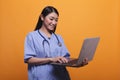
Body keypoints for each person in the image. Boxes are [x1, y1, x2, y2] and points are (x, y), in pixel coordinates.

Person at [24, 6, 87, 80]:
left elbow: (65, 59)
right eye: (51, 19)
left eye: (56, 20)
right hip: (41, 77)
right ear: (42, 17)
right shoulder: (31, 36)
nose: (54, 23)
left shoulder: (58, 38)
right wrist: (51, 59)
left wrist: (78, 63)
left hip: (61, 77)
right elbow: (28, 59)